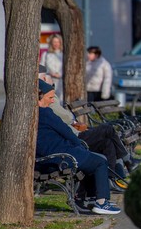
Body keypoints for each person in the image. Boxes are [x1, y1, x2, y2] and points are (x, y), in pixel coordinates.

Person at [36, 80, 120, 214]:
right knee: (100, 161)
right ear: (39, 97)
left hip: (44, 159)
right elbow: (66, 131)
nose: (52, 101)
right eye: (50, 98)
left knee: (91, 158)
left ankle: (92, 198)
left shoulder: (32, 114)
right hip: (60, 157)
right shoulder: (46, 113)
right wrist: (79, 144)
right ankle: (101, 203)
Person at [41, 34, 64, 102]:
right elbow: (42, 67)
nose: (56, 44)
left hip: (61, 81)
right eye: (54, 42)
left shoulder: (63, 54)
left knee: (60, 100)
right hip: (49, 80)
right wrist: (49, 73)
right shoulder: (46, 54)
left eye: (58, 42)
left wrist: (60, 74)